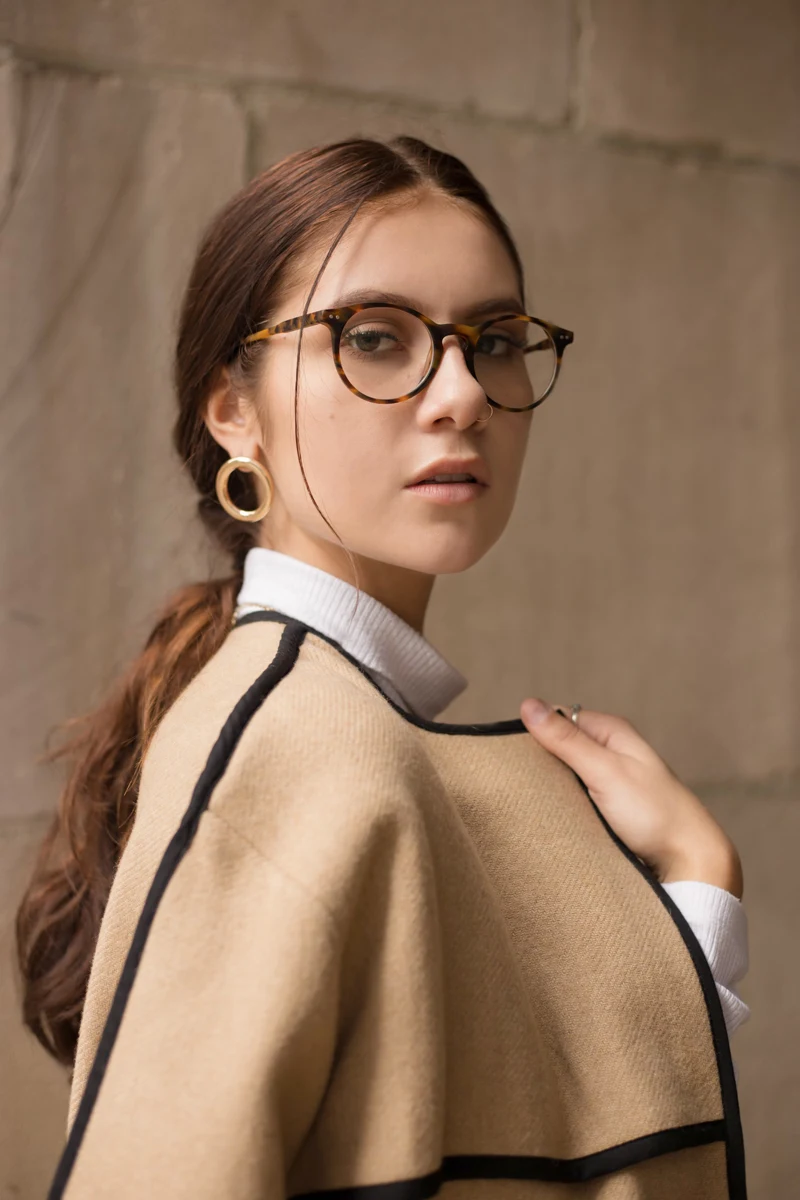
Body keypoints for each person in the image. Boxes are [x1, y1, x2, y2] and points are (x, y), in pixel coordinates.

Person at [16, 136, 749, 1200]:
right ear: (233, 410)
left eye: (493, 340)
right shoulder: (293, 746)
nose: (460, 393)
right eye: (372, 337)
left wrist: (692, 890)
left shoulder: (338, 724)